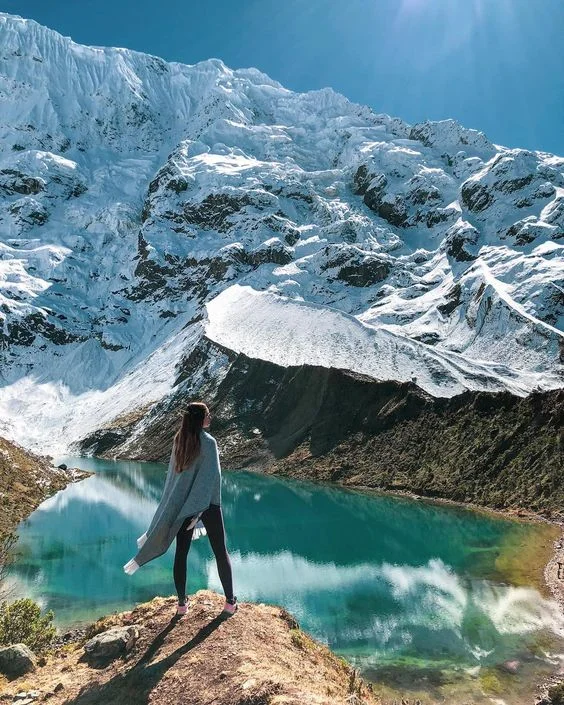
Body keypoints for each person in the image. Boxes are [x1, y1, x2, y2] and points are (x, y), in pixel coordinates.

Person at [123, 402, 237, 617]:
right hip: (208, 507)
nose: (210, 418)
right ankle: (230, 602)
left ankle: (182, 605)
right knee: (221, 552)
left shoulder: (179, 440)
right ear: (200, 418)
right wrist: (201, 509)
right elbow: (212, 478)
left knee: (181, 554)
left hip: (183, 508)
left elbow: (174, 481)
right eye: (208, 415)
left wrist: (185, 507)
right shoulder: (209, 442)